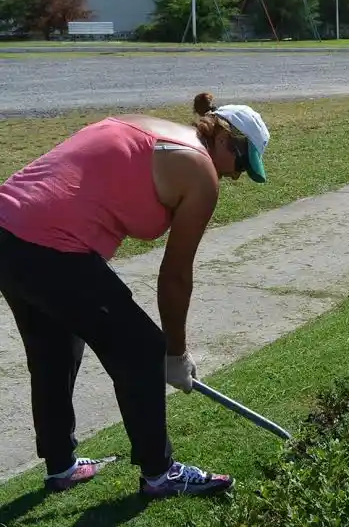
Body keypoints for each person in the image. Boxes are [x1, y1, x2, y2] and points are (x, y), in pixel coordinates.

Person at [0, 92, 271, 498]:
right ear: (225, 141)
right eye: (241, 165)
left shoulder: (152, 127)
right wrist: (174, 354)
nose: (235, 177)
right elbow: (175, 276)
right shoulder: (200, 172)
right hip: (49, 244)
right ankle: (161, 475)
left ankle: (61, 466)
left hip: (7, 230)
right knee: (143, 350)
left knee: (54, 348)